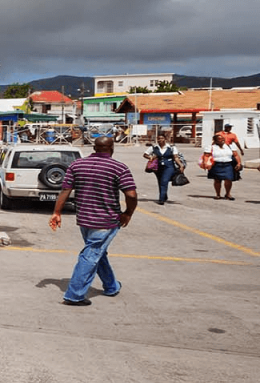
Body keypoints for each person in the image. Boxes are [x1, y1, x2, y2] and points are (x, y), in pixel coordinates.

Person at [48, 136, 138, 306]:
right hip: (106, 220)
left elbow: (65, 190)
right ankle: (74, 295)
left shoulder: (77, 165)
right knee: (91, 255)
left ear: (94, 148)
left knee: (97, 251)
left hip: (84, 219)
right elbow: (131, 195)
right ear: (112, 147)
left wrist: (56, 212)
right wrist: (128, 213)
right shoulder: (119, 167)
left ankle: (111, 286)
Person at [142, 131, 181, 205]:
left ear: (165, 139)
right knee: (160, 182)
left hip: (169, 166)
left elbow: (176, 157)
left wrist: (180, 165)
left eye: (162, 138)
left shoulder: (171, 148)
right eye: (158, 138)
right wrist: (150, 157)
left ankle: (161, 199)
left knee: (164, 180)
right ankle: (164, 195)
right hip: (157, 167)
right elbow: (145, 154)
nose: (160, 140)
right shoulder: (154, 148)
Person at [203, 131, 243, 200]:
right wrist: (206, 163)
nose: (222, 141)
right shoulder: (211, 147)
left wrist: (239, 163)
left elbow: (236, 155)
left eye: (223, 139)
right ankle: (218, 194)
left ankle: (228, 194)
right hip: (216, 165)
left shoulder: (230, 146)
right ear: (215, 140)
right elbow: (206, 156)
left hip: (228, 165)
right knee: (217, 180)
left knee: (228, 179)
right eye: (219, 139)